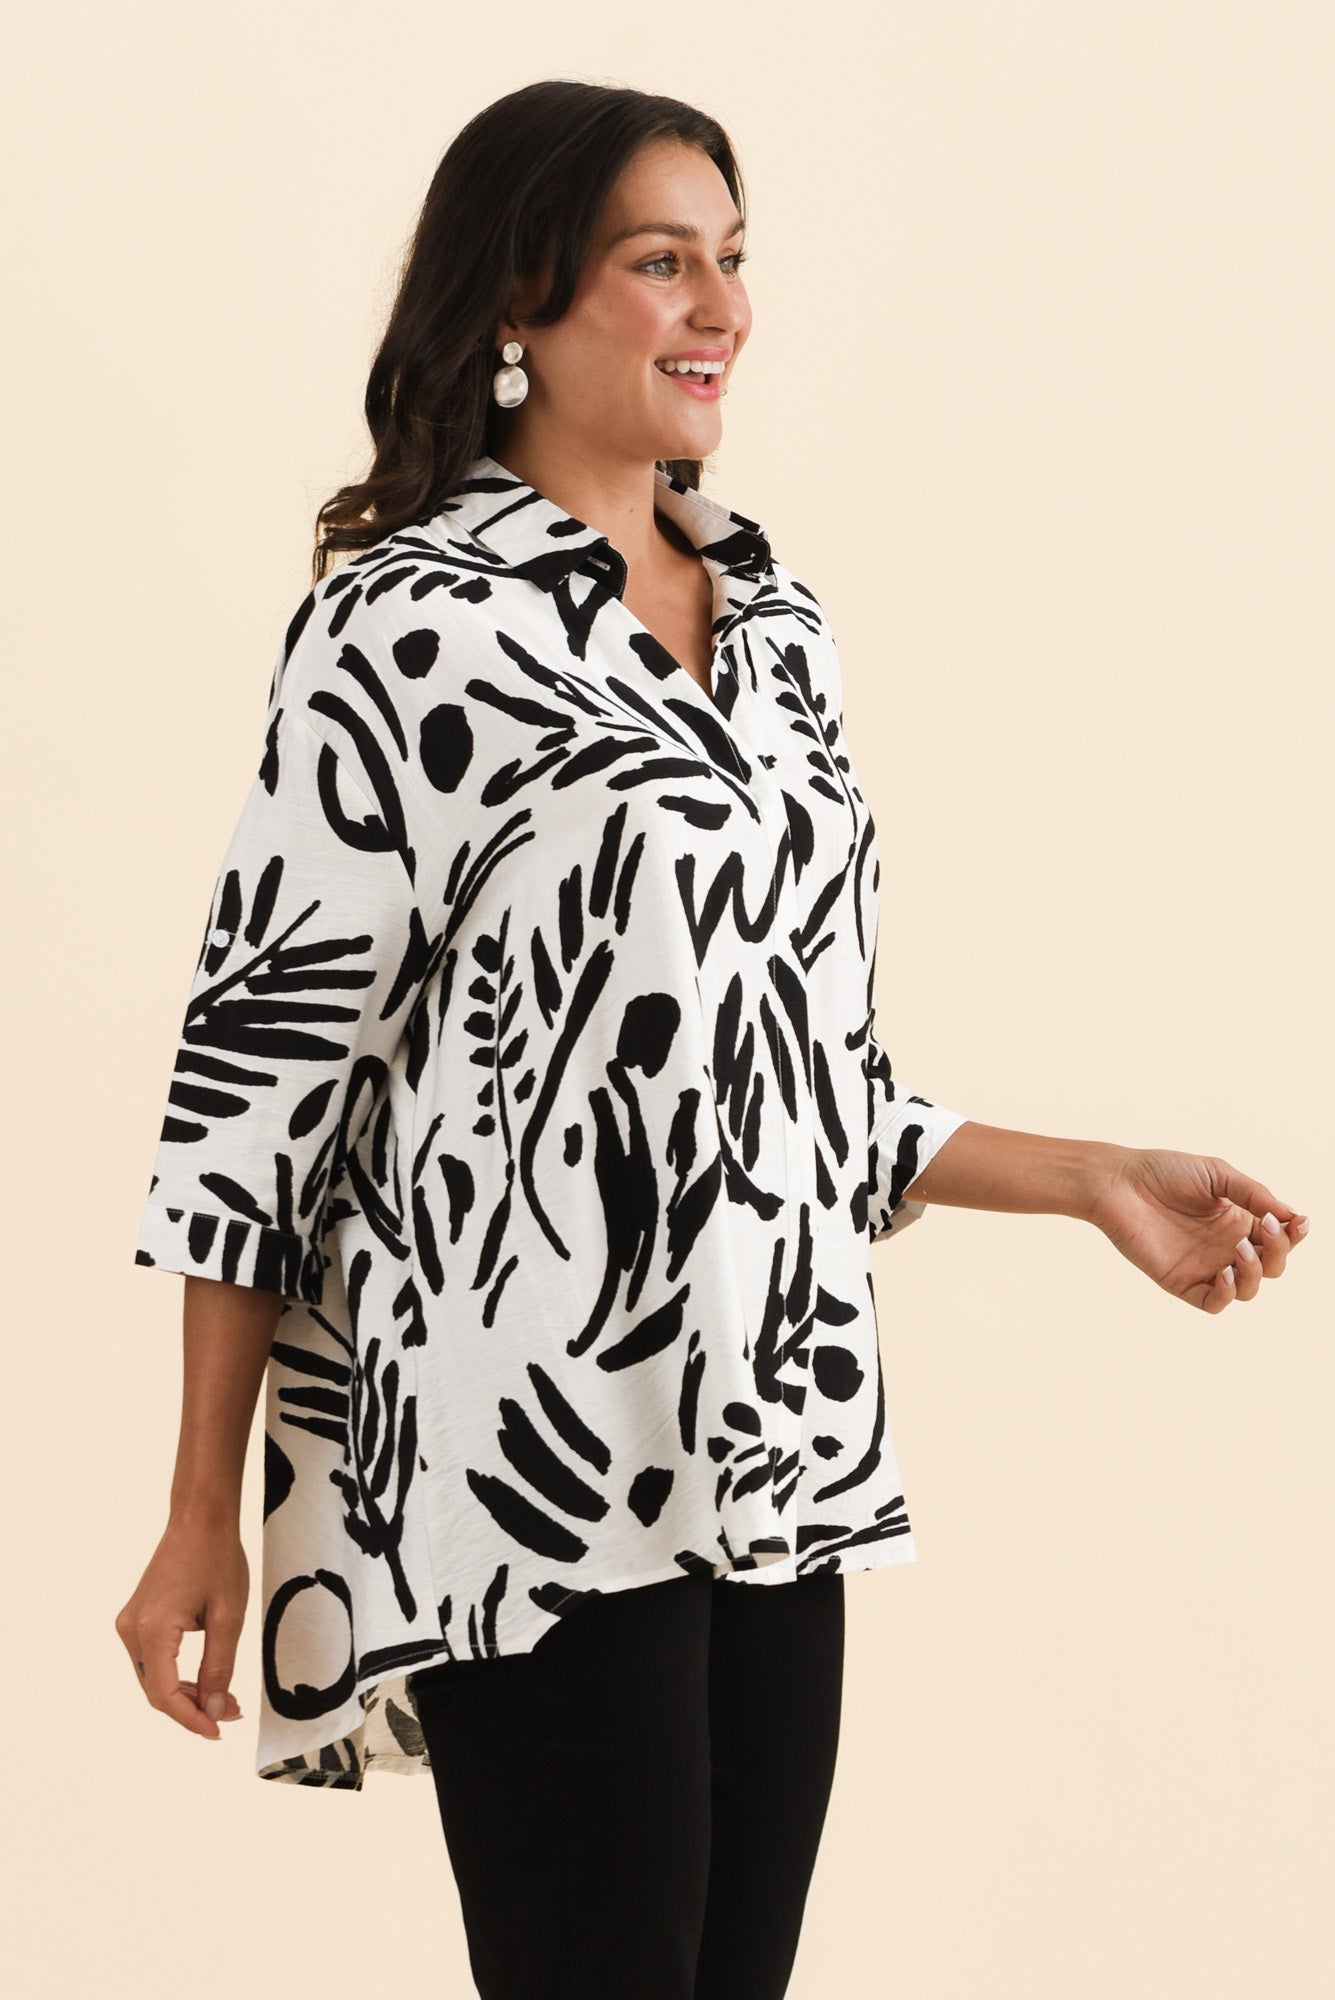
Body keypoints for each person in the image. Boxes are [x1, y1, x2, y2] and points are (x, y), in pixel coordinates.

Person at [116, 79, 1308, 2000]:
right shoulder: (402, 631)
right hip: (529, 1453)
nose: (723, 310)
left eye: (734, 261)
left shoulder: (777, 624)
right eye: (662, 262)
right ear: (523, 296)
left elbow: (799, 1085)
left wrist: (1094, 1179)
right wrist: (198, 1514)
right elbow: (259, 1086)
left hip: (778, 1447)